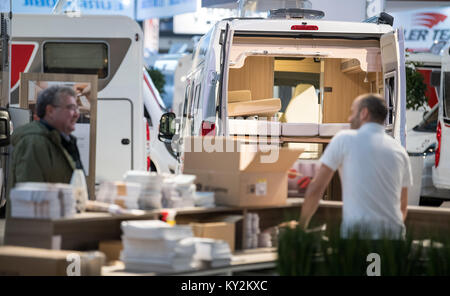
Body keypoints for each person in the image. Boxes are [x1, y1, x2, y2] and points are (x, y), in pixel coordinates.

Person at [298, 93, 413, 240]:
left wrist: (300, 228)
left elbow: (316, 189)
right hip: (393, 241)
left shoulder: (344, 139)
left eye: (352, 112)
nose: (349, 118)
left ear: (364, 113)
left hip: (359, 240)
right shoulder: (400, 152)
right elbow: (403, 207)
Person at [9, 85, 84, 191]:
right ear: (50, 111)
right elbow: (30, 199)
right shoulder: (33, 143)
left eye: (77, 108)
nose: (77, 114)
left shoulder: (62, 140)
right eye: (71, 107)